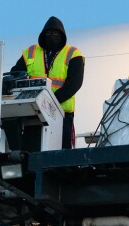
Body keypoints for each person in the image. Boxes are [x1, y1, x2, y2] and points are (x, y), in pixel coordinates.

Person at [8, 16, 84, 150]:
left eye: (55, 33)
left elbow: (74, 83)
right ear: (42, 35)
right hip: (33, 111)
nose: (52, 36)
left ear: (62, 35)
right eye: (48, 33)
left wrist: (52, 102)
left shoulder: (73, 53)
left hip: (61, 112)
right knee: (31, 150)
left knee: (60, 151)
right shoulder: (30, 52)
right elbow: (16, 73)